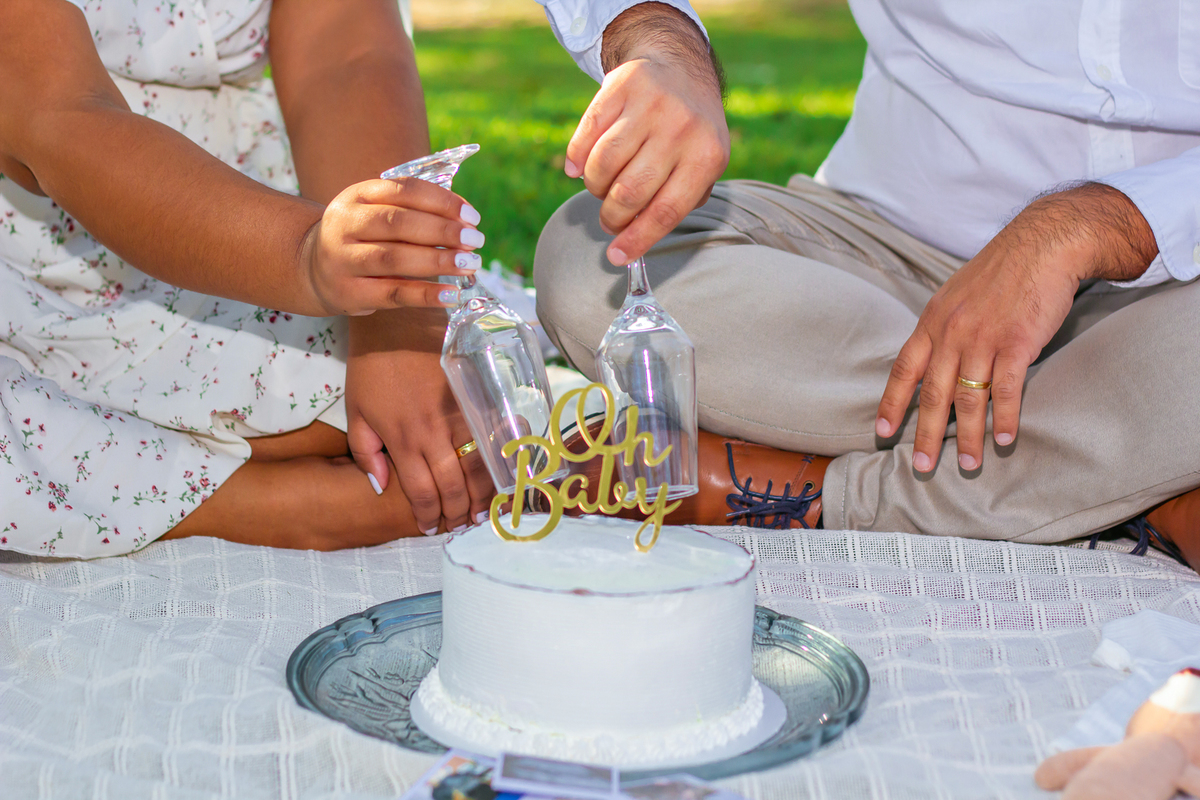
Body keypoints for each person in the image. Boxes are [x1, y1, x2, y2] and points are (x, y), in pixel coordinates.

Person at [532, 1, 1200, 565]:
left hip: (1179, 286)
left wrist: (1102, 222)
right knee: (591, 258)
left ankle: (812, 489)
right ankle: (1135, 478)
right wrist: (661, 41)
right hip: (888, 254)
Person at [0, 0, 502, 557]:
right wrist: (303, 254)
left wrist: (391, 315)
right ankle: (238, 500)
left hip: (255, 200)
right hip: (52, 247)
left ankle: (143, 462)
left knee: (456, 384)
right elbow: (62, 116)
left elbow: (345, 51)